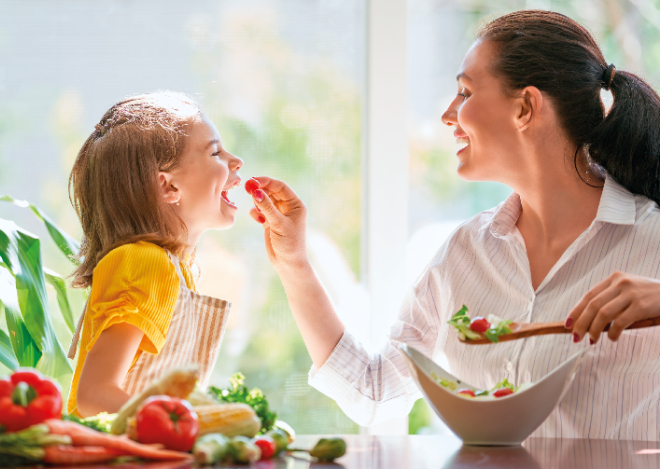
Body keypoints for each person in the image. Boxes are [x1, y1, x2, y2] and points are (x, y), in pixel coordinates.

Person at [247, 10, 660, 439]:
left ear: (525, 108)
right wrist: (294, 265)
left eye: (465, 92)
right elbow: (373, 390)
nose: (448, 115)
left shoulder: (652, 241)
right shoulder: (466, 253)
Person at [66, 92, 244, 417]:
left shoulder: (180, 270)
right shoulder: (145, 263)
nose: (236, 161)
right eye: (215, 152)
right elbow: (93, 395)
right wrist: (186, 428)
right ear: (168, 187)